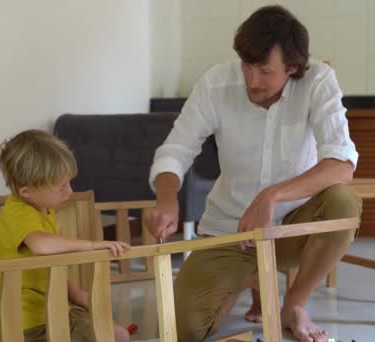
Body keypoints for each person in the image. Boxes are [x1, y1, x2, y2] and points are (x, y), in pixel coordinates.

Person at [146, 5, 362, 342]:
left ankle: (294, 304)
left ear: (292, 68)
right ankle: (249, 278)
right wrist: (167, 199)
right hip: (232, 231)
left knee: (343, 202)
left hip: (293, 228)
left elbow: (342, 164)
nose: (251, 80)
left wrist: (271, 195)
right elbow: (174, 151)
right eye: (246, 66)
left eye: (264, 70)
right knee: (183, 329)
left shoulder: (318, 80)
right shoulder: (215, 83)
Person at [0, 129, 131, 342]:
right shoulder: (18, 213)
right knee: (116, 336)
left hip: (53, 310)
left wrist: (76, 295)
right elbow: (42, 246)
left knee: (118, 333)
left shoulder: (43, 209)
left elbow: (51, 265)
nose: (70, 192)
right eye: (61, 187)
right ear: (26, 192)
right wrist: (92, 245)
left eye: (69, 182)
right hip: (26, 325)